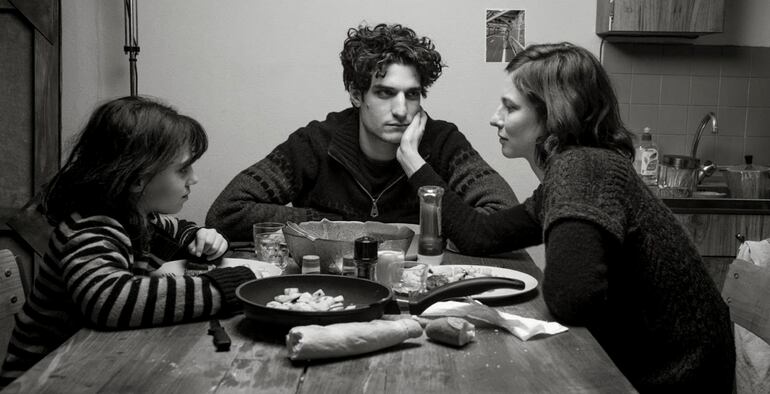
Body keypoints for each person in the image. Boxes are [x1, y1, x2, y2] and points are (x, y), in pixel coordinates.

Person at [396, 43, 735, 392]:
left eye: (510, 107)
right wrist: (413, 162)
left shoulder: (582, 170)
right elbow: (479, 235)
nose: (495, 117)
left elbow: (572, 299)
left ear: (553, 115)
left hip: (672, 378)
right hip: (655, 365)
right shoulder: (581, 168)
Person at [0, 96, 259, 386]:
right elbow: (109, 300)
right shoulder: (92, 228)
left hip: (92, 365)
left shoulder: (138, 216)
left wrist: (198, 236)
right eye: (183, 169)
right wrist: (221, 289)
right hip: (44, 379)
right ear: (137, 179)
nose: (194, 179)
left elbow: (176, 229)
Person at [206, 23, 518, 242]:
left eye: (412, 94)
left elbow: (504, 222)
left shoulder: (442, 142)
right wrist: (337, 227)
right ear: (357, 95)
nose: (401, 110)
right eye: (385, 93)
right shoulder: (316, 142)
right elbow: (226, 213)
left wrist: (417, 167)